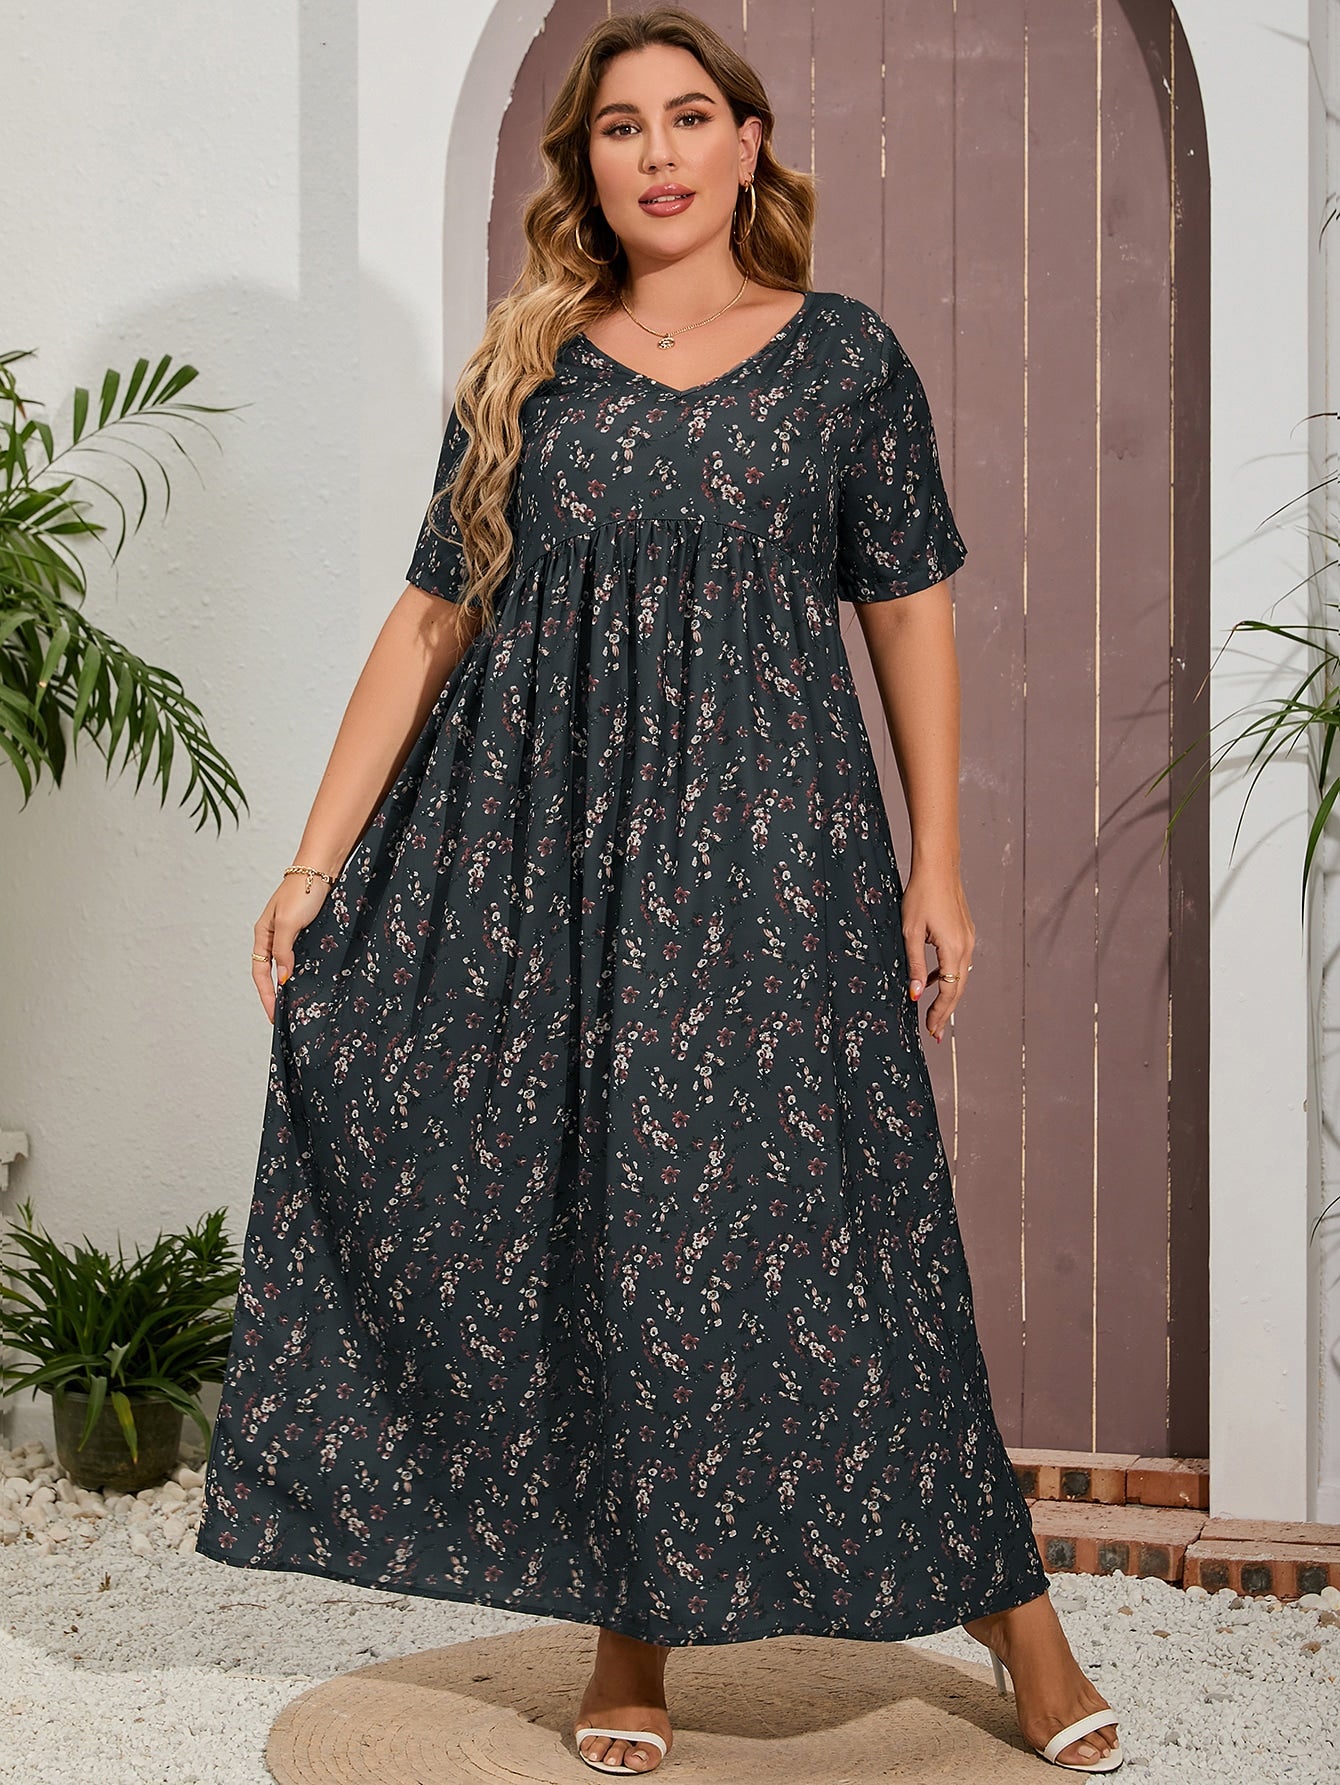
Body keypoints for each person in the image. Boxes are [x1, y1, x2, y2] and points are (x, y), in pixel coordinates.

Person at [195, 6, 1122, 1777]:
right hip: (562, 869)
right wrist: (313, 861)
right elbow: (431, 615)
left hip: (784, 863)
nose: (660, 153)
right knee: (613, 1235)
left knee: (860, 1237)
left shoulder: (843, 359)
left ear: (748, 146)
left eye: (691, 118)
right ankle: (634, 1631)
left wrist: (937, 856)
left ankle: (1023, 1622)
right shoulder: (528, 371)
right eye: (622, 128)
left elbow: (908, 603)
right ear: (588, 168)